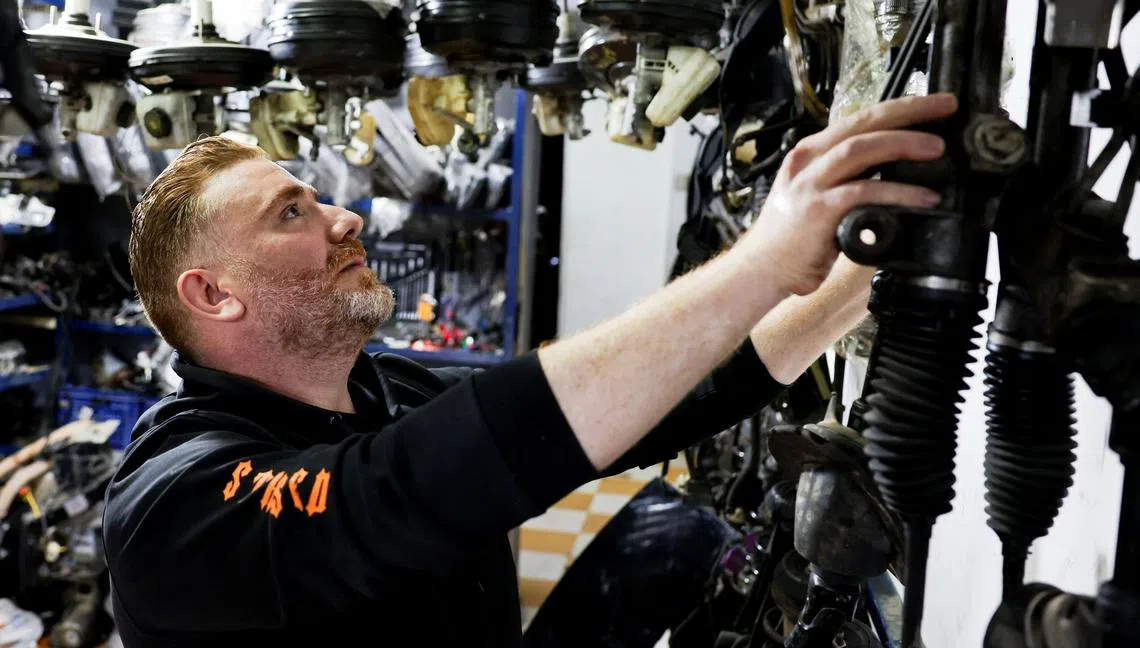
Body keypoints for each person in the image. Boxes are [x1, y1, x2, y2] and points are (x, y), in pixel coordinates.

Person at [102, 92, 956, 647]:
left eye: (318, 196)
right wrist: (761, 262)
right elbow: (401, 490)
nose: (344, 216)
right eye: (291, 212)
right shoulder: (175, 504)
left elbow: (647, 406)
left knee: (674, 529)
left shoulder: (385, 391)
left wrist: (866, 270)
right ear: (214, 294)